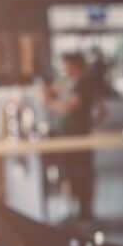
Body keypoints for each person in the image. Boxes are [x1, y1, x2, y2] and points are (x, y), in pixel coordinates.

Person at [43, 51, 104, 222]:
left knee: (81, 174)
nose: (64, 70)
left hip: (78, 136)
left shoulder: (84, 83)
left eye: (66, 66)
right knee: (70, 173)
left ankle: (85, 212)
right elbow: (56, 90)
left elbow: (68, 107)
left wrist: (48, 102)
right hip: (69, 135)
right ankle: (76, 211)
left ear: (74, 65)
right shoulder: (70, 81)